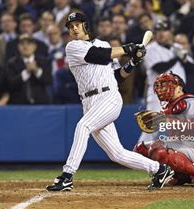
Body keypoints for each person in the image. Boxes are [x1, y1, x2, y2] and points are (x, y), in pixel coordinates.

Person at [46, 12, 174, 192]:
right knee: (116, 153)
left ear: (85, 25)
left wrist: (133, 62)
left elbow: (117, 76)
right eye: (70, 26)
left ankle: (67, 176)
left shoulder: (104, 45)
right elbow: (98, 55)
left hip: (109, 98)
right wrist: (129, 49)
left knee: (83, 127)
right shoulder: (73, 47)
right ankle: (160, 169)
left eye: (77, 24)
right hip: (89, 102)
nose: (74, 28)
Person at [133, 72, 194, 186]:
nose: (163, 89)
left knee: (158, 150)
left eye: (167, 85)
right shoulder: (169, 107)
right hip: (185, 147)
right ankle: (180, 175)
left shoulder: (191, 102)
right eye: (160, 86)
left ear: (179, 87)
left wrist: (167, 120)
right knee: (140, 149)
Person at [6, 34, 52, 104]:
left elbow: (49, 80)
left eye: (29, 43)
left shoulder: (44, 61)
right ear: (18, 47)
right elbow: (9, 84)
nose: (25, 46)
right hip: (18, 105)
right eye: (22, 44)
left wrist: (36, 70)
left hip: (41, 104)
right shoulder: (11, 63)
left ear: (35, 46)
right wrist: (26, 72)